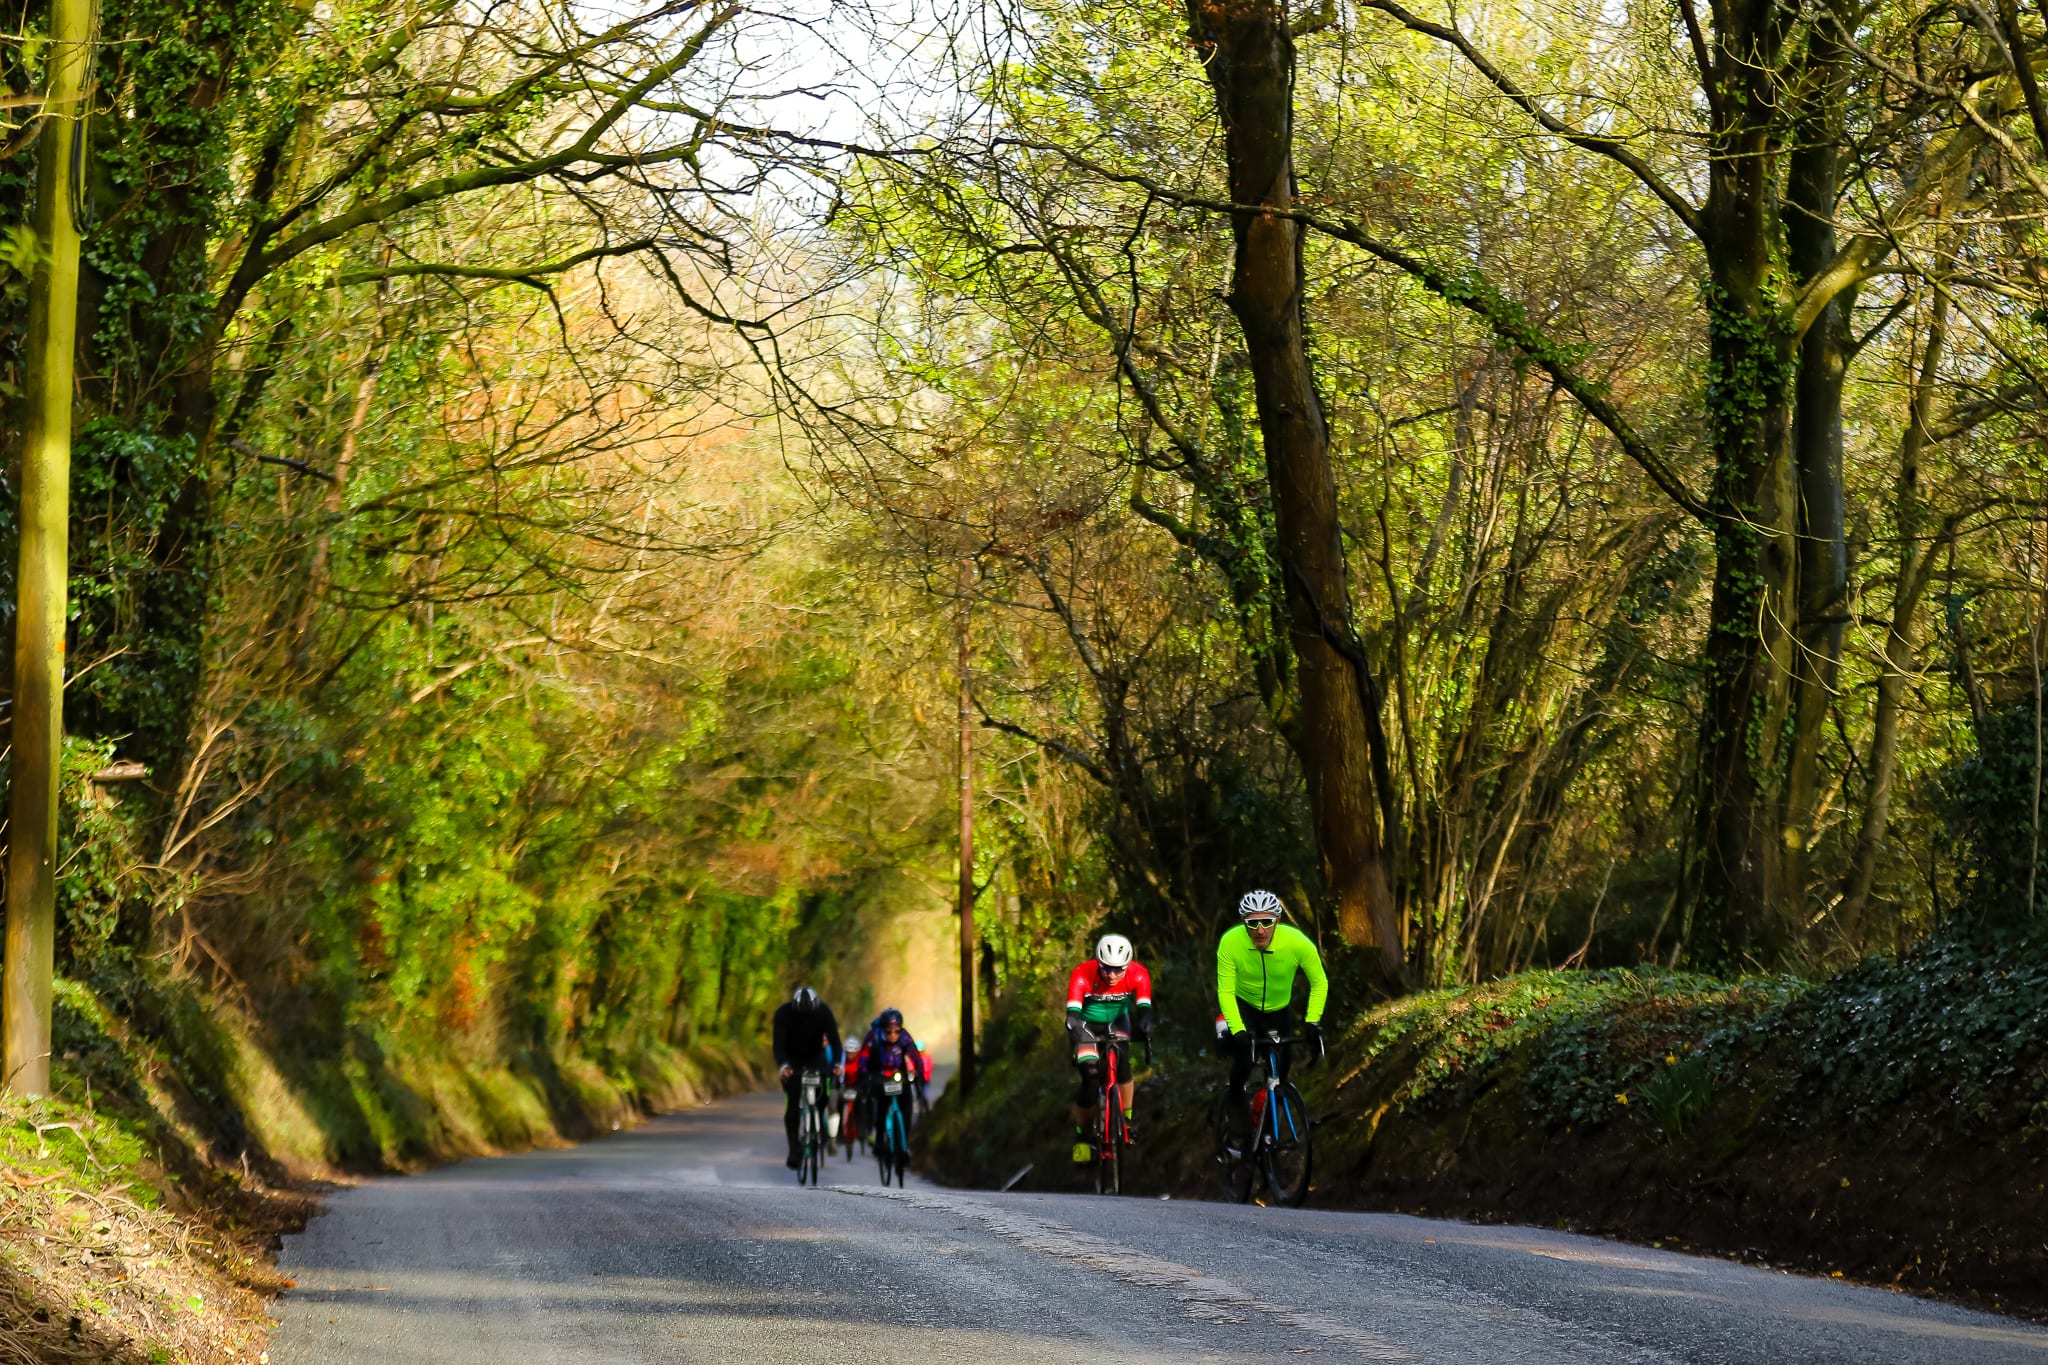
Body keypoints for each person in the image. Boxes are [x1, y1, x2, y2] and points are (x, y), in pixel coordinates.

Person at [1216, 890, 1327, 1118]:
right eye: (1252, 923)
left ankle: (1267, 1124)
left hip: (1278, 1011)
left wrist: (1312, 1020)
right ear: (1243, 923)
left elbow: (1319, 982)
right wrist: (1238, 1030)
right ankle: (1236, 1103)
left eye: (1266, 922)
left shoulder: (1296, 942)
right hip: (1245, 1006)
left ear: (1277, 920)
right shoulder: (1230, 942)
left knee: (1281, 1072)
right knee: (1244, 1059)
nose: (1260, 930)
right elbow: (1225, 991)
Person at [1064, 933, 1154, 1164]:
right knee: (1091, 1077)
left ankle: (1126, 1119)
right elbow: (1073, 1012)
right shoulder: (1082, 973)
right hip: (1087, 1025)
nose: (1112, 975)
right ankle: (1082, 1135)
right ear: (1098, 963)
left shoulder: (1139, 974)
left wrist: (1146, 1022)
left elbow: (1144, 1006)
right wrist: (1073, 1026)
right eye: (1106, 969)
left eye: (1118, 970)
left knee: (1123, 1064)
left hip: (1117, 1021)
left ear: (1127, 966)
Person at [772, 986, 841, 1169]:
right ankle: (794, 1149)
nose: (805, 1019)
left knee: (824, 1091)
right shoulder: (783, 1014)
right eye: (801, 1015)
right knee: (792, 1103)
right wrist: (783, 1065)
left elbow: (835, 1041)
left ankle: (819, 1122)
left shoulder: (824, 1011)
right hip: (792, 1060)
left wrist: (836, 1064)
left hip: (815, 1058)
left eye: (808, 1015)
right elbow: (778, 1044)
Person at [857, 1007, 929, 1128]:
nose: (893, 1035)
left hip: (898, 1073)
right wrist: (864, 1076)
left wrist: (919, 1071)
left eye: (897, 1031)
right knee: (881, 1107)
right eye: (889, 1031)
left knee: (907, 1104)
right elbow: (863, 1058)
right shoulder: (874, 1036)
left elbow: (914, 1055)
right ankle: (879, 1138)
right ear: (883, 1029)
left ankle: (904, 1139)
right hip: (878, 1074)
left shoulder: (904, 1036)